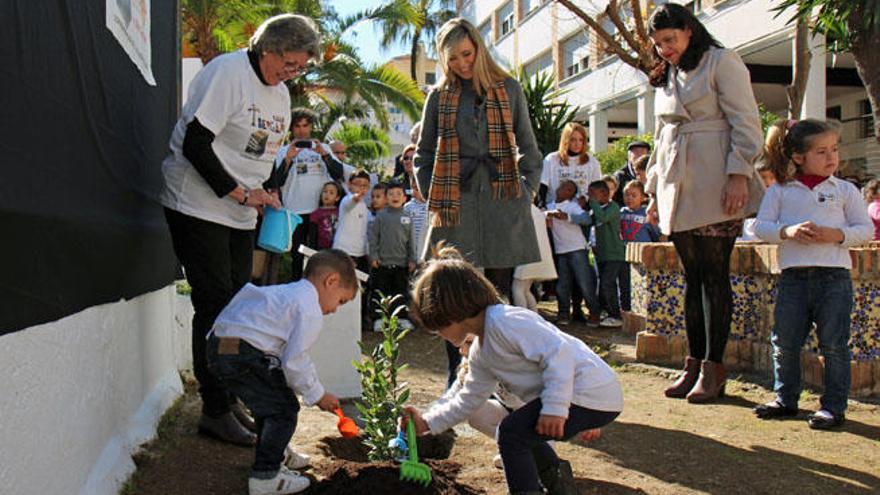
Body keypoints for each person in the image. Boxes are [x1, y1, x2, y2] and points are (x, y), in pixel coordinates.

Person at [160, 14, 321, 445]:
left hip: (239, 212)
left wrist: (268, 192)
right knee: (214, 306)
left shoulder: (282, 96)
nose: (293, 72)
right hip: (196, 203)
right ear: (267, 48)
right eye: (289, 63)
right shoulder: (228, 72)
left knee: (238, 306)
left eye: (301, 67)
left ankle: (227, 396)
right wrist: (239, 192)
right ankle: (213, 410)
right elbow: (195, 142)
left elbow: (265, 158)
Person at [402, 246, 623, 495]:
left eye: (437, 327)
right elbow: (469, 398)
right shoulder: (481, 351)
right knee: (522, 429)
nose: (438, 335)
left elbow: (558, 354)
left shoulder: (505, 321)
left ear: (450, 312)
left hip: (591, 391)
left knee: (511, 433)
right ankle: (557, 482)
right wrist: (427, 422)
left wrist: (554, 407)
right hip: (578, 396)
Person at [645, 3, 765, 402]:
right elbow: (661, 137)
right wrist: (652, 191)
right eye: (658, 43)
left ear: (689, 31)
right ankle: (693, 363)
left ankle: (715, 368)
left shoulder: (721, 61)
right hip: (676, 185)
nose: (664, 49)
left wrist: (738, 174)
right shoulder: (668, 75)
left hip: (716, 182)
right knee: (691, 279)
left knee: (714, 277)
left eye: (670, 40)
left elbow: (746, 121)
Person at [414, 18, 543, 387]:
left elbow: (529, 148)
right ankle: (458, 377)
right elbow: (424, 153)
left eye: (466, 54)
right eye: (452, 58)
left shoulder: (509, 88)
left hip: (503, 202)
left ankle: (498, 378)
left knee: (498, 300)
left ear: (479, 49)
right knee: (451, 293)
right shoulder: (439, 96)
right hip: (453, 202)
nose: (461, 64)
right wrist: (434, 192)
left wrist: (526, 192)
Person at [752, 119, 872, 429]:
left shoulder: (845, 189)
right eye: (821, 151)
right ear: (798, 157)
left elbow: (865, 230)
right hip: (794, 277)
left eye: (834, 149)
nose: (831, 157)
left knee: (834, 344)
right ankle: (785, 398)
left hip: (834, 278)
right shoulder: (780, 190)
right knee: (785, 341)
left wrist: (836, 234)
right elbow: (760, 226)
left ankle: (833, 407)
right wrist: (787, 230)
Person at [207, 249, 358, 494]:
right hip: (243, 354)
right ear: (331, 281)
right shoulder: (309, 308)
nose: (334, 310)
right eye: (341, 301)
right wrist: (318, 394)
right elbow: (295, 361)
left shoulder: (287, 293)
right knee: (283, 411)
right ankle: (265, 478)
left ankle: (278, 455)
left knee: (270, 403)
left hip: (220, 347)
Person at [274, 107, 344, 281]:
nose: (302, 130)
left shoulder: (324, 148)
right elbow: (276, 181)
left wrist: (325, 155)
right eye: (297, 126)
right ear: (291, 129)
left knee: (317, 255)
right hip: (294, 211)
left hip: (320, 211)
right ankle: (296, 288)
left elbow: (338, 174)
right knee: (297, 255)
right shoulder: (283, 151)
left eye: (305, 125)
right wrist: (288, 159)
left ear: (311, 127)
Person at [545, 180, 601, 327]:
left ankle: (594, 313)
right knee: (562, 285)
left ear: (571, 195)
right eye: (562, 186)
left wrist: (568, 217)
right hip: (561, 250)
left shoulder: (572, 207)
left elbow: (587, 219)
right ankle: (563, 314)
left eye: (568, 189)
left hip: (577, 249)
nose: (563, 190)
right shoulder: (549, 207)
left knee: (585, 282)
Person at [369, 182, 416, 330]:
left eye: (398, 194)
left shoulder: (407, 217)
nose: (394, 197)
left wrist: (412, 259)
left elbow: (411, 241)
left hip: (401, 264)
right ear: (386, 198)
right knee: (380, 292)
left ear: (404, 198)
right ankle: (379, 319)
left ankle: (401, 318)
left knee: (401, 292)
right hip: (382, 263)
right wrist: (374, 255)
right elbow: (373, 238)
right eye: (391, 194)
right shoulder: (381, 216)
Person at [586, 181, 626, 327]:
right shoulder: (594, 210)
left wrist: (593, 203)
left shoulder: (613, 207)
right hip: (601, 255)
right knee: (602, 284)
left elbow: (603, 218)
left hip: (614, 254)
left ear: (604, 194)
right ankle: (606, 310)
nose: (590, 197)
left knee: (607, 283)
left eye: (593, 194)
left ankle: (615, 315)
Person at [620, 181, 661, 313]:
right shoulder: (621, 212)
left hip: (643, 255)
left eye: (633, 195)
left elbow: (656, 234)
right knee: (625, 283)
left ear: (643, 197)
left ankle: (645, 310)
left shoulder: (647, 213)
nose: (629, 198)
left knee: (644, 283)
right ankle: (626, 309)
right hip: (626, 254)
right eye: (627, 195)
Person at [540, 122, 602, 206]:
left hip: (582, 211)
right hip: (555, 209)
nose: (577, 144)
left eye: (581, 140)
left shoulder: (592, 162)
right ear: (565, 140)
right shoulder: (551, 159)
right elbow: (543, 186)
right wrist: (542, 206)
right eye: (573, 140)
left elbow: (597, 190)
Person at [512, 204, 557, 312]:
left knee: (517, 289)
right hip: (540, 254)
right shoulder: (536, 210)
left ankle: (523, 319)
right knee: (526, 290)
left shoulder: (521, 208)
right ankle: (534, 317)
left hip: (529, 254)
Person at [333, 171, 372, 274]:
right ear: (349, 185)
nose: (361, 188)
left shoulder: (365, 206)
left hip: (360, 252)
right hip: (344, 251)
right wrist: (355, 198)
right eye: (357, 184)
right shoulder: (346, 199)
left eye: (365, 185)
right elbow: (350, 203)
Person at [612, 141, 651, 205]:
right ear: (629, 155)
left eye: (642, 152)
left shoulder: (654, 173)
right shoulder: (620, 175)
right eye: (635, 152)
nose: (639, 155)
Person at [307, 181, 343, 250]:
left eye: (331, 193)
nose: (327, 195)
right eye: (325, 191)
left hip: (338, 248)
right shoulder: (315, 214)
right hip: (322, 249)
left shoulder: (341, 211)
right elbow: (312, 237)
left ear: (337, 198)